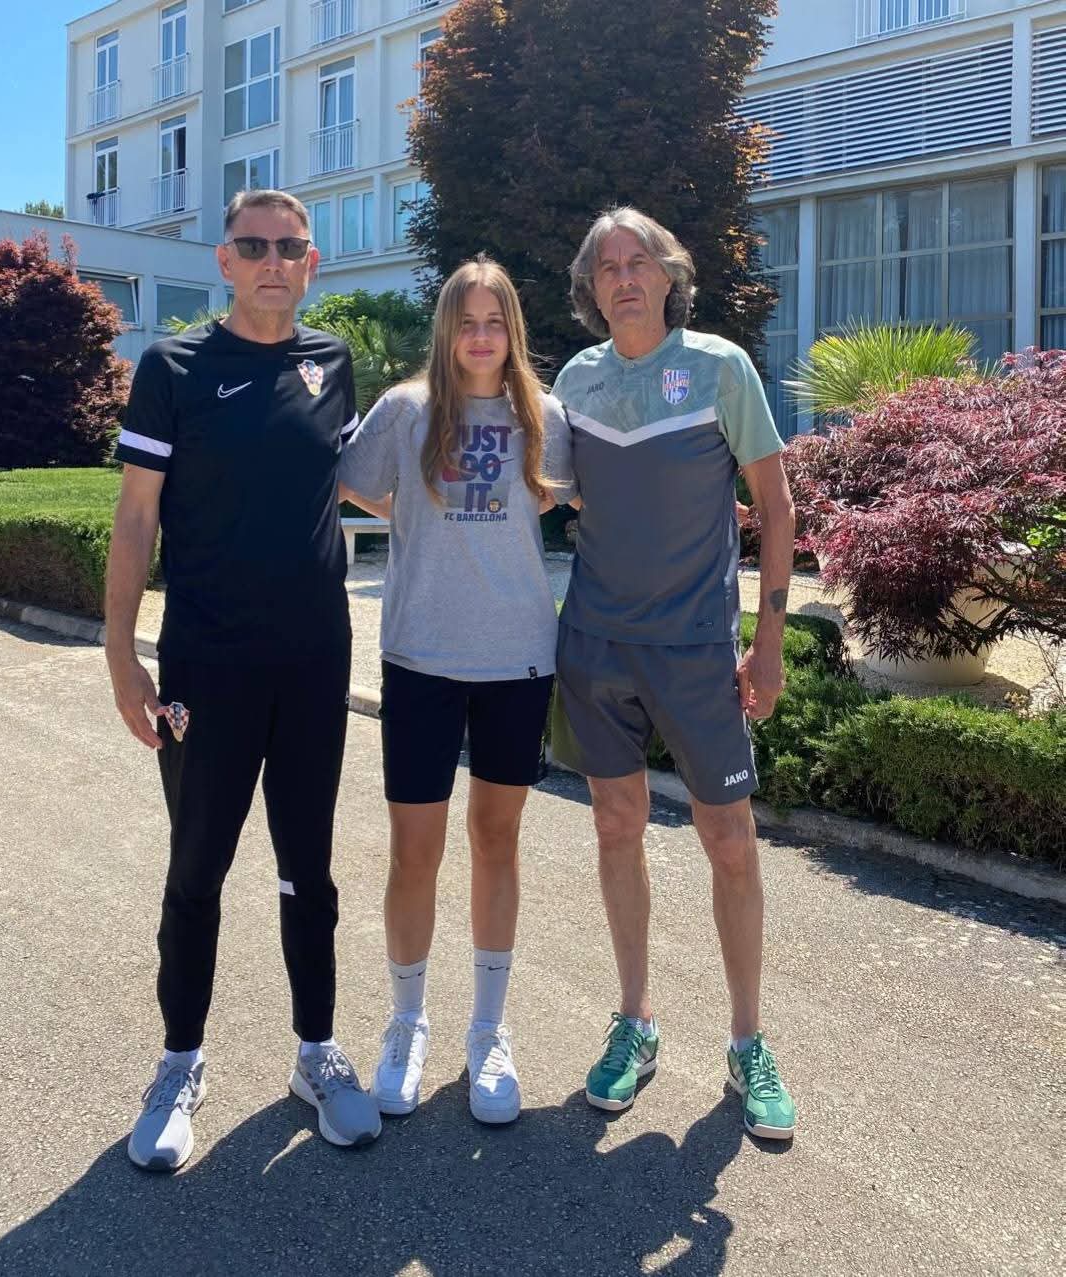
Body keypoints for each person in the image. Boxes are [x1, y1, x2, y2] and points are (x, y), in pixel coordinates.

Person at [105, 188, 381, 1170]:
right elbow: (137, 516)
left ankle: (317, 1053)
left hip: (313, 660)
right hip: (205, 665)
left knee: (310, 866)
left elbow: (354, 484)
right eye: (253, 245)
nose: (272, 260)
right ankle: (179, 1062)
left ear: (311, 263)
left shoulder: (332, 362)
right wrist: (120, 652)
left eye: (289, 246)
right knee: (197, 869)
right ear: (223, 261)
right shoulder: (173, 367)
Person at [551, 208, 797, 1140]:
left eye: (639, 261)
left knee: (728, 839)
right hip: (596, 646)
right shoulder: (575, 380)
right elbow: (549, 492)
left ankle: (748, 1041)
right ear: (592, 289)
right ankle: (636, 1021)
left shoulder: (721, 368)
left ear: (668, 276)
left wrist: (767, 642)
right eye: (607, 266)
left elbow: (775, 505)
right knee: (616, 825)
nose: (623, 277)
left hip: (696, 651)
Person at [339, 256, 574, 1124]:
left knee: (497, 840)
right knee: (415, 850)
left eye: (494, 321)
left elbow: (561, 500)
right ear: (446, 329)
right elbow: (344, 478)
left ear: (513, 328)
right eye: (466, 321)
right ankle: (407, 1021)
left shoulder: (545, 416)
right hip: (420, 658)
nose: (481, 336)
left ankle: (488, 1030)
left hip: (518, 658)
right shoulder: (405, 411)